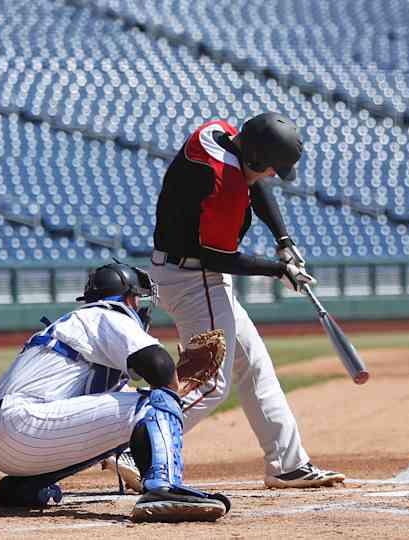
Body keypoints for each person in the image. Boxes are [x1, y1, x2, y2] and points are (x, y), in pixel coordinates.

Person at [148, 112, 345, 489]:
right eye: (270, 167)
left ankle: (288, 464)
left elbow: (254, 184)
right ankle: (133, 443)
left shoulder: (219, 133)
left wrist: (284, 241)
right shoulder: (224, 185)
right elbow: (217, 257)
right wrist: (278, 270)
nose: (273, 174)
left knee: (253, 364)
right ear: (254, 158)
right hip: (195, 279)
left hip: (187, 272)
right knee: (209, 383)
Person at [0, 262, 230, 522]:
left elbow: (119, 406)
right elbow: (159, 365)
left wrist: (174, 386)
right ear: (128, 298)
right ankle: (164, 488)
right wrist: (173, 384)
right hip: (25, 424)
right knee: (153, 405)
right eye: (137, 299)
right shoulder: (106, 314)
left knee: (136, 415)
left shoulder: (78, 324)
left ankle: (21, 488)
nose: (140, 308)